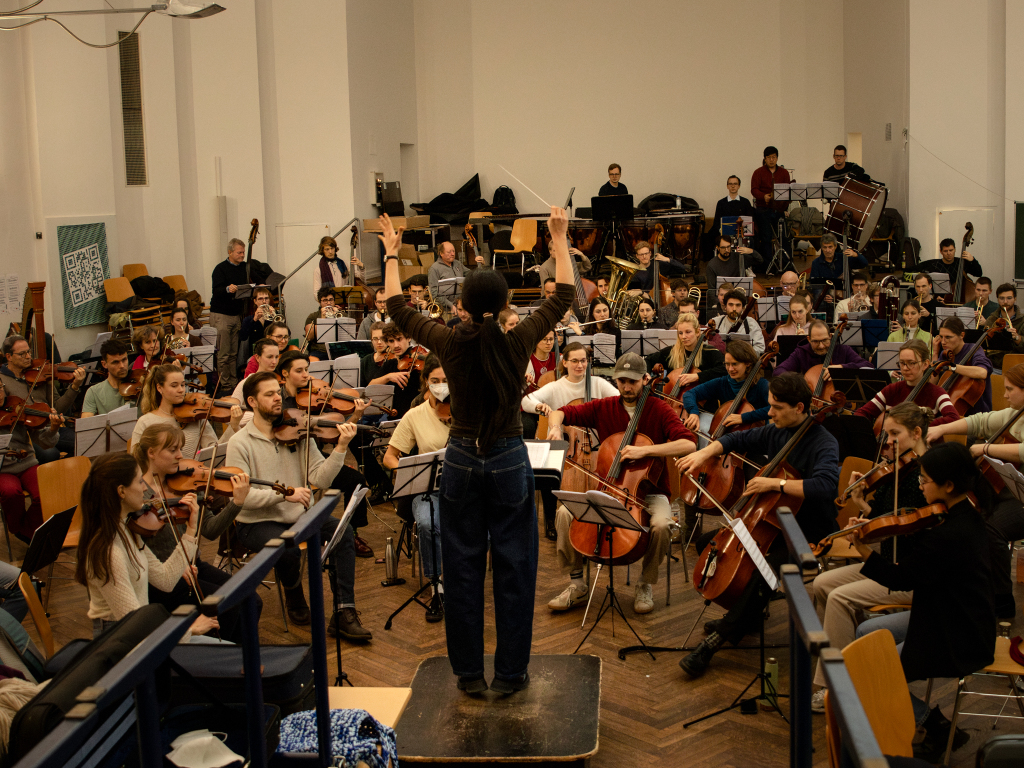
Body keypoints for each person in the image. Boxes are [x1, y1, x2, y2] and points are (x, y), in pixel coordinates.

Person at [381, 205, 574, 696]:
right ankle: (510, 674)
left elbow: (397, 309)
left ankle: (468, 674)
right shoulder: (518, 342)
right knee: (516, 570)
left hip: (461, 458)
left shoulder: (448, 342)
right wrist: (558, 237)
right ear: (507, 302)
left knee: (461, 569)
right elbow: (565, 296)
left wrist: (390, 254)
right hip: (511, 457)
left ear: (461, 304)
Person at [675, 374, 840, 676]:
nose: (770, 412)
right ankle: (746, 617)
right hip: (769, 521)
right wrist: (704, 452)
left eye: (776, 407)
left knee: (764, 572)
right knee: (707, 545)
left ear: (800, 407)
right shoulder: (778, 430)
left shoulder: (823, 442)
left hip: (807, 532)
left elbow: (826, 486)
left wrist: (776, 483)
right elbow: (737, 438)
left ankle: (719, 638)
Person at [845, 442, 995, 763]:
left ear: (948, 486)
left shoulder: (953, 533)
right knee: (866, 633)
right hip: (942, 614)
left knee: (871, 667)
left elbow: (900, 578)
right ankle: (897, 719)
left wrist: (862, 547)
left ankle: (934, 725)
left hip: (958, 635)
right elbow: (928, 554)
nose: (919, 484)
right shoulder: (962, 512)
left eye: (924, 480)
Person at [545, 353, 697, 614]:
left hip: (649, 493)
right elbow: (561, 412)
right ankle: (577, 584)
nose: (627, 387)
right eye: (622, 381)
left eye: (633, 382)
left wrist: (645, 451)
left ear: (645, 379)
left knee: (662, 525)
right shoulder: (605, 407)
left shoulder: (658, 409)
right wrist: (555, 427)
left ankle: (645, 583)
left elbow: (688, 443)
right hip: (607, 488)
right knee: (563, 513)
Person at [228, 371, 371, 640]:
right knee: (287, 548)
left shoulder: (298, 430)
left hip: (297, 516)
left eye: (277, 393)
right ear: (252, 401)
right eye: (268, 394)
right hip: (256, 522)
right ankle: (294, 595)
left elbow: (320, 477)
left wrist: (340, 447)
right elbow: (242, 499)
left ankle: (343, 611)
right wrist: (284, 494)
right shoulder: (240, 443)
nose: (277, 398)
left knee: (342, 532)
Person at [809, 402, 929, 712]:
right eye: (885, 434)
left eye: (894, 434)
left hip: (908, 574)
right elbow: (883, 520)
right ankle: (854, 656)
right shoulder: (896, 473)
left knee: (838, 599)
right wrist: (862, 505)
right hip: (886, 564)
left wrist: (869, 526)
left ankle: (831, 686)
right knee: (822, 583)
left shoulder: (925, 479)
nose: (886, 443)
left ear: (916, 434)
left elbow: (907, 528)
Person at [133, 422, 257, 644]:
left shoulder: (184, 484)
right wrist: (172, 569)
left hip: (193, 564)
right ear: (151, 453)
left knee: (252, 600)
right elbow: (138, 550)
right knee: (229, 607)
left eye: (180, 449)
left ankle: (239, 659)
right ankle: (215, 660)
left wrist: (236, 503)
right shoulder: (138, 493)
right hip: (165, 576)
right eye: (172, 450)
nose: (180, 456)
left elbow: (210, 530)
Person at [75, 451, 220, 641]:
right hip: (121, 644)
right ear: (121, 491)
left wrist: (191, 530)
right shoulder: (109, 552)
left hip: (141, 634)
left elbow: (165, 580)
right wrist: (189, 629)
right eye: (139, 481)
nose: (145, 488)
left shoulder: (126, 529)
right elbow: (135, 625)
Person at [926, 362, 1024, 619]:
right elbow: (981, 422)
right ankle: (969, 587)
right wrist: (941, 427)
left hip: (1020, 499)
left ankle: (1003, 601)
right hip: (1004, 491)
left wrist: (985, 449)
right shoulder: (1016, 413)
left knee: (992, 531)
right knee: (968, 517)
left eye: (1010, 389)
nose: (1004, 394)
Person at [275, 351, 375, 560]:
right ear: (284, 374)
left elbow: (333, 429)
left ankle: (351, 533)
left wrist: (356, 415)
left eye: (307, 370)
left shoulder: (313, 399)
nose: (306, 376)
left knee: (356, 480)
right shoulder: (277, 402)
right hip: (286, 463)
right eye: (299, 371)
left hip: (313, 456)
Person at [522, 342, 619, 538]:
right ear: (564, 362)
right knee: (551, 472)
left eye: (583, 361)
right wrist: (540, 406)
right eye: (574, 361)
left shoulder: (598, 383)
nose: (580, 365)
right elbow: (526, 401)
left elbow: (619, 399)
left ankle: (600, 521)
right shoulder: (555, 387)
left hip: (596, 447)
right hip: (568, 448)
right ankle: (551, 520)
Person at [383, 354, 452, 622]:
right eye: (435, 380)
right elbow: (390, 456)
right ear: (425, 382)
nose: (441, 386)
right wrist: (407, 472)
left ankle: (462, 577)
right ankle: (437, 585)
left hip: (463, 488)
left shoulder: (465, 410)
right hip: (427, 489)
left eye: (446, 380)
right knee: (426, 523)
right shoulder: (415, 415)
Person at [0, 335, 81, 539]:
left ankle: (25, 531)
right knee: (11, 492)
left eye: (29, 352)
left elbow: (42, 440)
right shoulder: (8, 387)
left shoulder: (33, 383)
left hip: (26, 459)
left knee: (46, 490)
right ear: (8, 356)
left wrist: (53, 427)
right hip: (3, 467)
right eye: (22, 353)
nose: (29, 357)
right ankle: (22, 530)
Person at [131, 364, 240, 460]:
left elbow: (214, 452)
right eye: (174, 386)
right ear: (159, 388)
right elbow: (137, 460)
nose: (181, 390)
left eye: (183, 385)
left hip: (193, 478)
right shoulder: (145, 422)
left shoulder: (195, 416)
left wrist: (233, 426)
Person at [853, 339, 959, 426]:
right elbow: (862, 413)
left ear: (925, 364)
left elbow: (954, 418)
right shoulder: (891, 390)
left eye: (911, 363)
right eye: (902, 363)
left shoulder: (937, 392)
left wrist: (921, 425)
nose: (905, 368)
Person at [644, 313, 726, 396]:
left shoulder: (710, 352)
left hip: (703, 401)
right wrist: (647, 375)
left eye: (688, 332)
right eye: (680, 333)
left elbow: (724, 369)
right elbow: (648, 360)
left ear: (697, 332)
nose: (683, 336)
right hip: (673, 401)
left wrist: (697, 376)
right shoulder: (671, 352)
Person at [210, 238, 249, 395]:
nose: (242, 255)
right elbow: (216, 291)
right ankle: (225, 384)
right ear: (230, 252)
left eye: (243, 252)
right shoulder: (220, 269)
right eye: (239, 252)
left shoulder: (244, 268)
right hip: (222, 315)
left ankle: (233, 382)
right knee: (224, 353)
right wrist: (227, 289)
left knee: (234, 352)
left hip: (236, 315)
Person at [931, 317, 992, 414]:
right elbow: (932, 383)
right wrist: (935, 353)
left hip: (975, 412)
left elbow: (982, 372)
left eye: (948, 337)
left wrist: (952, 367)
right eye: (941, 337)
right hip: (951, 409)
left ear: (962, 335)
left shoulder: (974, 350)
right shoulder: (945, 353)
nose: (943, 342)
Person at [773, 319, 872, 379]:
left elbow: (868, 366)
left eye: (825, 340)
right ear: (809, 339)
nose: (821, 346)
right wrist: (803, 380)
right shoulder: (801, 352)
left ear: (830, 336)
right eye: (816, 341)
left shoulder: (843, 350)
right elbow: (778, 371)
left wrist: (841, 368)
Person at [750, 146, 792, 261]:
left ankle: (786, 264)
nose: (771, 160)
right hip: (763, 210)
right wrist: (764, 197)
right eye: (769, 157)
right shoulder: (758, 172)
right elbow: (754, 189)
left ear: (777, 158)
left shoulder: (784, 173)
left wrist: (784, 205)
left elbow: (788, 191)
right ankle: (768, 264)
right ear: (765, 158)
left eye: (773, 157)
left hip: (779, 210)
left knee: (783, 237)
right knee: (766, 238)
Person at [371, 325, 422, 417]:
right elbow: (371, 386)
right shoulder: (390, 364)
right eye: (391, 341)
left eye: (399, 339)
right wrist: (388, 376)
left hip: (416, 415)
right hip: (394, 415)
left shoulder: (418, 363)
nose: (396, 345)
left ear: (409, 338)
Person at [808, 233, 868, 303]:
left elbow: (864, 264)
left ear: (835, 246)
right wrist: (825, 295)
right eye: (825, 247)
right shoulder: (816, 263)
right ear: (821, 248)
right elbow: (815, 285)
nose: (827, 250)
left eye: (830, 247)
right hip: (826, 297)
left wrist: (856, 255)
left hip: (844, 294)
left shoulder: (843, 258)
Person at [81, 338, 132, 417]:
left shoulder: (139, 383)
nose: (122, 366)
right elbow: (86, 423)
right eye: (115, 362)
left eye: (124, 360)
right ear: (104, 364)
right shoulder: (94, 392)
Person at [981, 282, 1024, 368]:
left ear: (1015, 299)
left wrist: (1017, 338)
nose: (1005, 302)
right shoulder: (992, 319)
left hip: (1017, 366)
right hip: (994, 365)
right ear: (997, 299)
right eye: (1002, 298)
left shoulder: (1022, 320)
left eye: (1009, 298)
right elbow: (984, 345)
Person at [915, 236, 982, 288]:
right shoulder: (935, 265)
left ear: (955, 249)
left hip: (962, 299)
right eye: (945, 251)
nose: (949, 253)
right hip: (941, 299)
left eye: (951, 250)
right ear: (941, 252)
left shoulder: (962, 263)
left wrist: (973, 260)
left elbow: (978, 273)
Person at [715, 289, 765, 354]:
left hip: (744, 361)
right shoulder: (716, 322)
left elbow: (760, 348)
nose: (734, 309)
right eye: (730, 305)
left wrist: (742, 356)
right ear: (725, 307)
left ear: (743, 308)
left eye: (738, 305)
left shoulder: (751, 323)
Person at [303, 287, 342, 361]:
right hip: (319, 351)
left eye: (331, 300)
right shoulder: (313, 316)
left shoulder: (340, 314)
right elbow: (309, 337)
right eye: (325, 300)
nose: (328, 303)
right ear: (319, 302)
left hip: (338, 350)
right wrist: (322, 319)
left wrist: (338, 316)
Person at [427, 241, 467, 311]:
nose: (452, 254)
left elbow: (471, 275)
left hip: (461, 307)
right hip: (446, 310)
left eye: (453, 251)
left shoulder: (458, 264)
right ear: (441, 253)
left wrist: (480, 264)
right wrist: (451, 306)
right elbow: (434, 294)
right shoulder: (434, 269)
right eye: (449, 252)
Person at [361, 321, 390, 386]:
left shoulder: (394, 360)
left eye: (382, 338)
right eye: (375, 339)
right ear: (371, 340)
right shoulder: (365, 361)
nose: (379, 342)